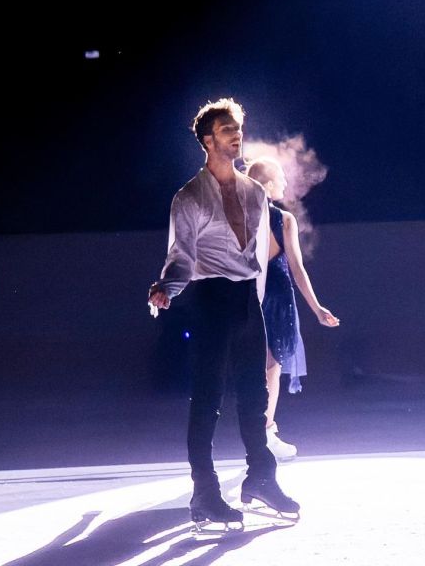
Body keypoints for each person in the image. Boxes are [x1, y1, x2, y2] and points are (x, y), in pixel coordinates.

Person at [148, 98, 299, 528]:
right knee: (208, 400)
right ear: (207, 139)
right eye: (227, 129)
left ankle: (261, 479)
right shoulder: (189, 197)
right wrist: (167, 289)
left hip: (246, 301)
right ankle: (205, 493)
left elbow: (259, 259)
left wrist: (263, 303)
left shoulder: (254, 193)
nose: (237, 135)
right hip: (210, 299)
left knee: (254, 400)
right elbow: (181, 255)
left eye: (239, 128)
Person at [246, 156, 339, 460]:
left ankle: (262, 431)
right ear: (268, 185)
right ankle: (265, 432)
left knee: (263, 366)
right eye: (281, 178)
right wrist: (316, 308)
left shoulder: (240, 216)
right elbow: (297, 269)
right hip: (273, 296)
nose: (286, 182)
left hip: (248, 294)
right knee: (271, 367)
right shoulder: (282, 220)